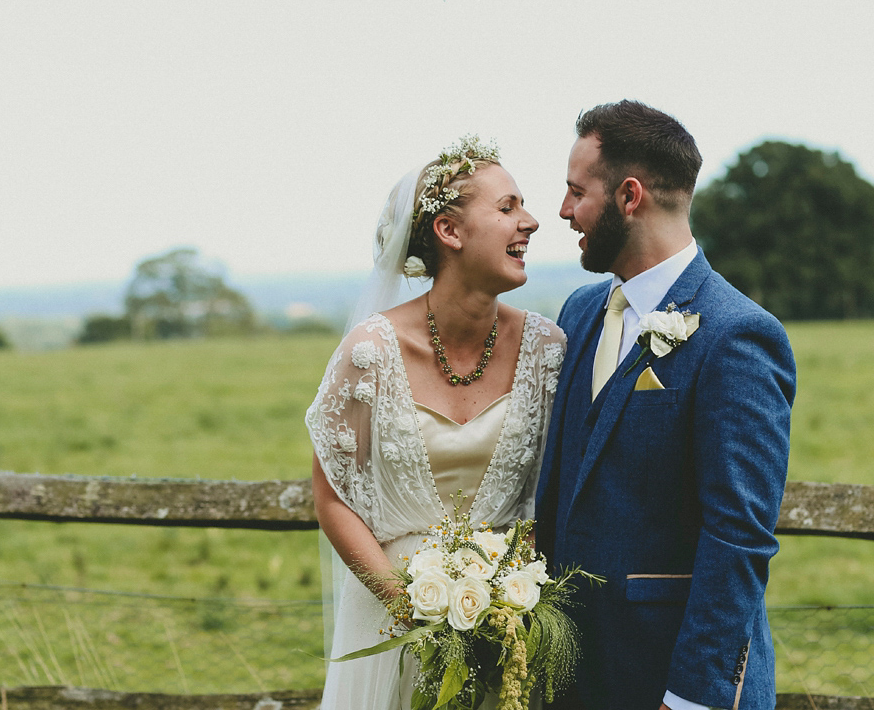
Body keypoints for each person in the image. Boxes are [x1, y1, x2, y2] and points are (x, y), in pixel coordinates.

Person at [534, 100, 796, 710]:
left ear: (630, 197)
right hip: (570, 672)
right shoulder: (579, 311)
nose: (564, 211)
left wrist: (693, 697)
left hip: (670, 678)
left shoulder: (738, 336)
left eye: (577, 192)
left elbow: (739, 535)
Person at [306, 135, 566, 710]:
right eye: (507, 208)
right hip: (395, 624)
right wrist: (413, 607)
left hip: (513, 625)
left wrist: (505, 602)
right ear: (449, 231)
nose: (531, 222)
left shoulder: (548, 349)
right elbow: (332, 498)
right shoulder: (370, 351)